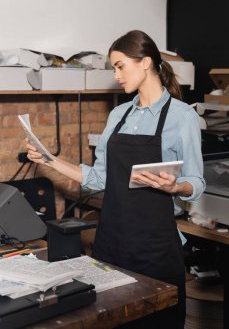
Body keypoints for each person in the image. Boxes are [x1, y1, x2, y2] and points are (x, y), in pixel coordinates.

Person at [26, 30, 205, 328]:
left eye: (120, 66)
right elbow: (99, 178)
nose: (116, 74)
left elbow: (197, 183)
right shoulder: (118, 115)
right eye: (114, 68)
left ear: (145, 62)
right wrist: (50, 159)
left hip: (156, 247)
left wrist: (176, 186)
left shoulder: (182, 116)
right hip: (111, 241)